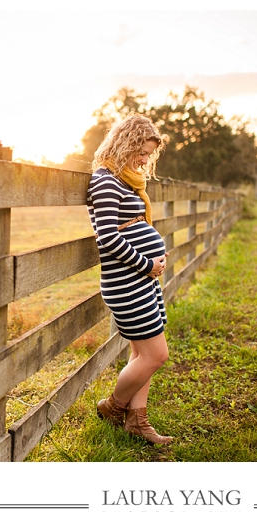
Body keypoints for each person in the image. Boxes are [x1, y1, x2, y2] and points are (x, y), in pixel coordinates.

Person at [86, 114, 173, 445]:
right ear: (127, 143)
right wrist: (145, 263)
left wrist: (150, 266)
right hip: (127, 282)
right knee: (156, 355)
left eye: (149, 154)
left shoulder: (126, 181)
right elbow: (106, 237)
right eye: (142, 152)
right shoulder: (106, 180)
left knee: (142, 356)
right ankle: (113, 407)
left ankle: (137, 422)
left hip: (143, 280)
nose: (145, 159)